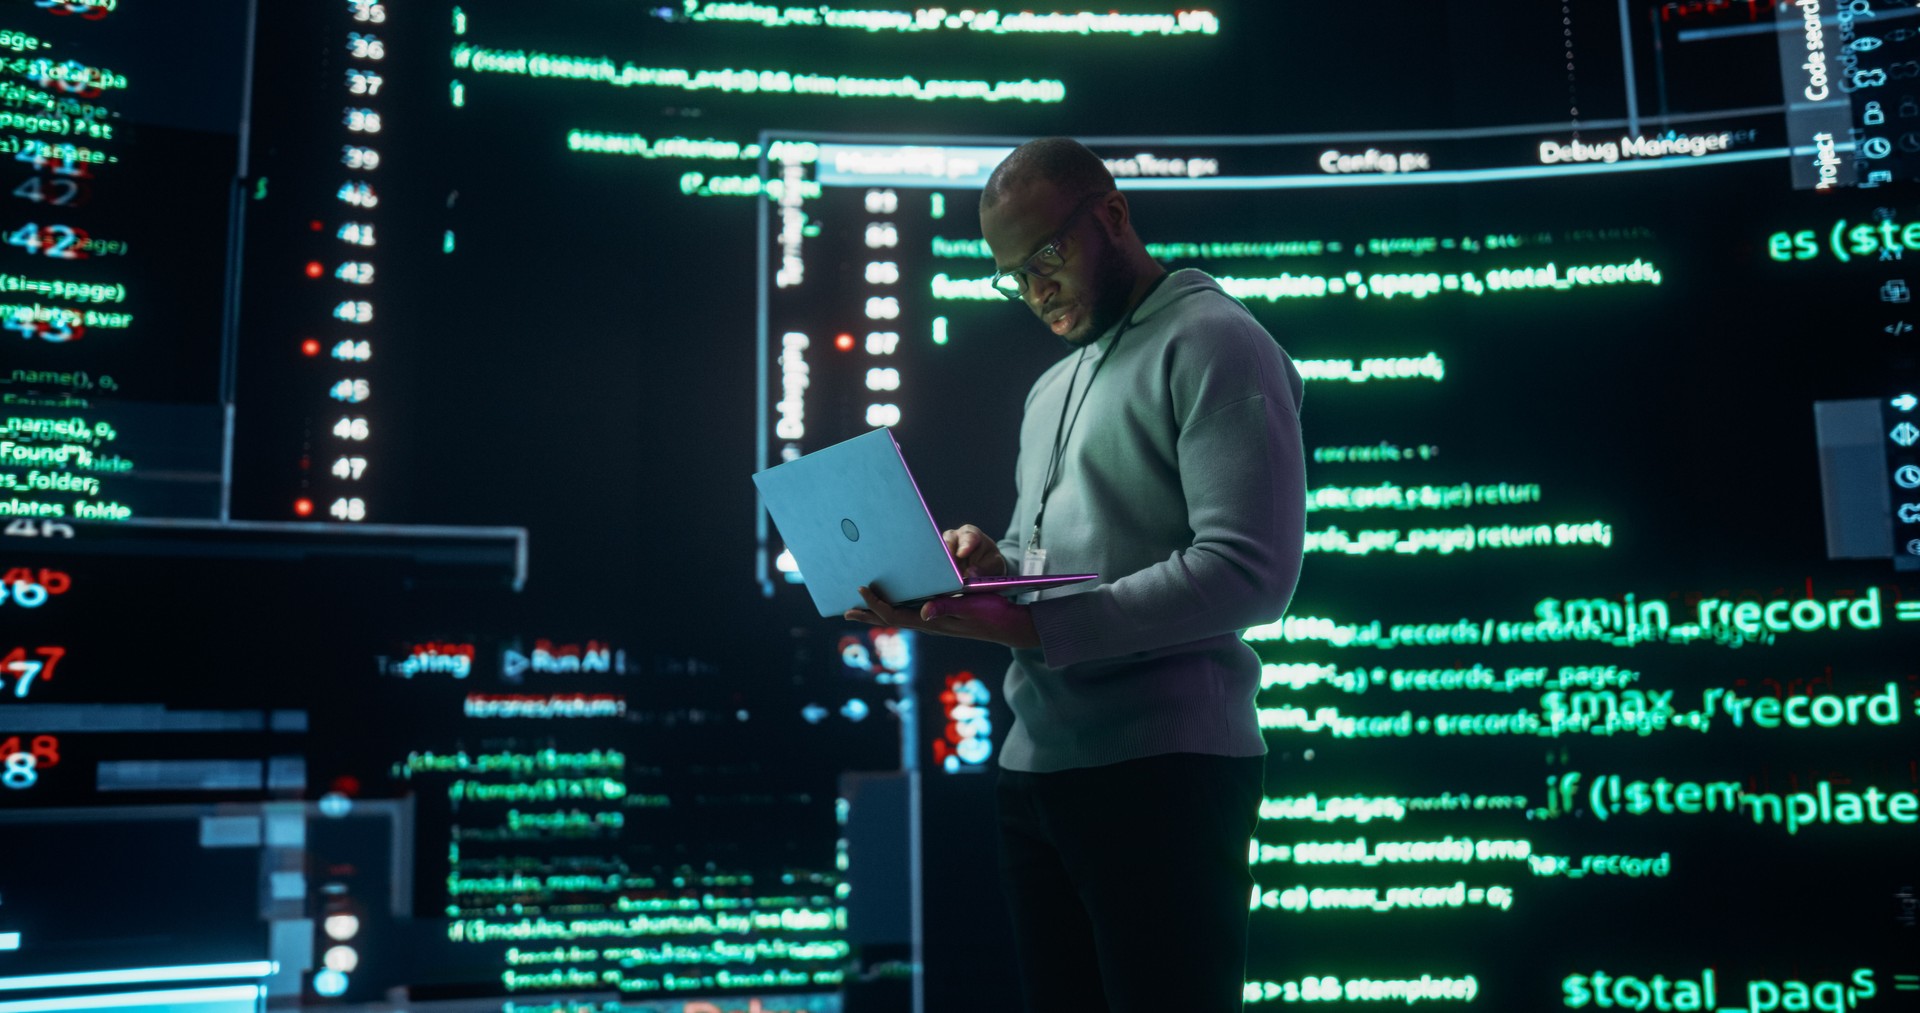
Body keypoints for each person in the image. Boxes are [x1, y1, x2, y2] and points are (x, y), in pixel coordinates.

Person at [844, 136, 1306, 1012]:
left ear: (1113, 215)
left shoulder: (1219, 341)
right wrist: (991, 566)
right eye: (1013, 276)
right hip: (1038, 772)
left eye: (1047, 256)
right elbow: (1052, 569)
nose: (1035, 291)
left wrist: (1035, 622)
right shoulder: (1052, 386)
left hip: (1166, 771)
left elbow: (1250, 572)